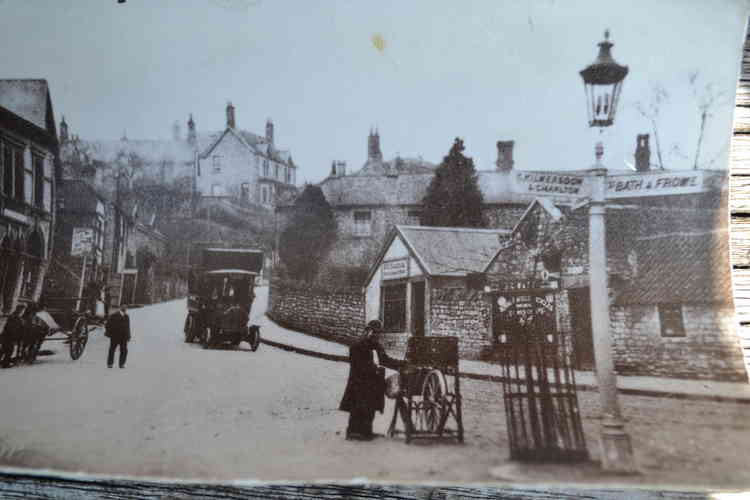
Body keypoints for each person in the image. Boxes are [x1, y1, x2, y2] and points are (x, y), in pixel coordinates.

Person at [339, 319, 404, 441]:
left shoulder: (377, 346)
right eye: (374, 332)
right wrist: (375, 369)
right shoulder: (357, 346)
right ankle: (352, 432)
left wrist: (401, 364)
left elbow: (385, 360)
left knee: (371, 407)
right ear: (367, 331)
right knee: (358, 407)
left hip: (373, 382)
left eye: (378, 333)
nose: (376, 335)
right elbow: (359, 365)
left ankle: (366, 432)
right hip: (359, 382)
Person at [105, 304, 131, 369]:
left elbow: (128, 327)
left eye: (126, 307)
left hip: (124, 337)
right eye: (123, 307)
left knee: (124, 350)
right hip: (115, 336)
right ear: (120, 307)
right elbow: (108, 325)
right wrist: (109, 333)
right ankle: (110, 364)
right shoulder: (114, 315)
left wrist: (128, 336)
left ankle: (121, 364)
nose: (125, 308)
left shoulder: (127, 316)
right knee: (112, 350)